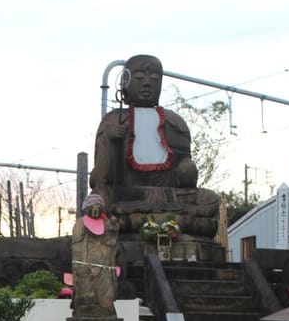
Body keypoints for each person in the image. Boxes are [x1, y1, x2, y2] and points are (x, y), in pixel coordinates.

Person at [83, 54, 219, 238]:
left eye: (154, 79)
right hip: (128, 194)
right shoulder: (115, 120)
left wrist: (186, 169)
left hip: (167, 195)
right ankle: (169, 222)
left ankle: (145, 220)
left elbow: (186, 178)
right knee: (100, 197)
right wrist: (109, 139)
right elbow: (101, 177)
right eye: (139, 78)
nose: (147, 83)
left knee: (209, 200)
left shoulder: (174, 122)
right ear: (126, 83)